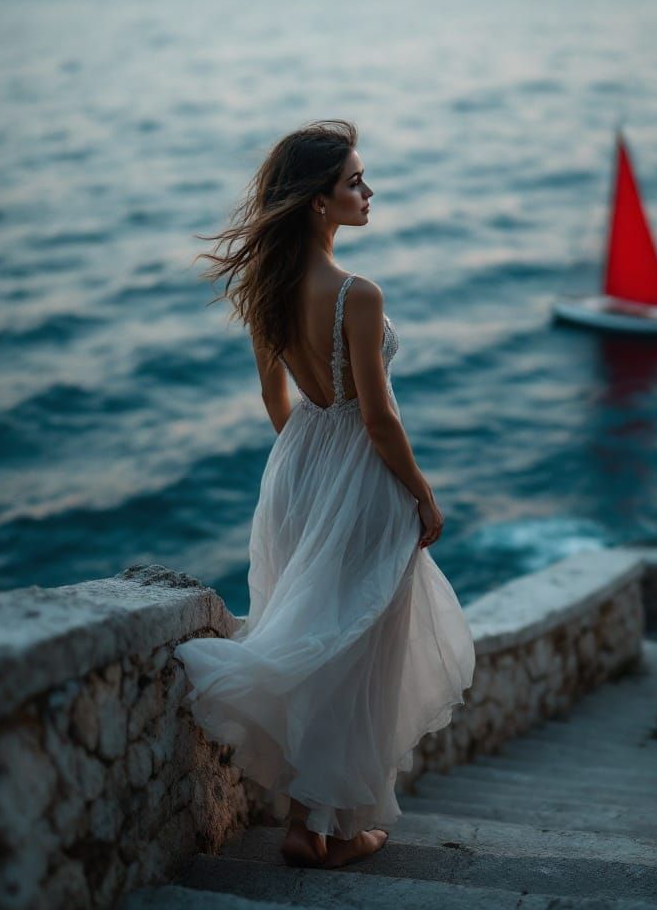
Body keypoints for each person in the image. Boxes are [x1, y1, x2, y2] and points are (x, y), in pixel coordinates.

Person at [173, 119, 475, 871]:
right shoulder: (356, 295)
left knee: (319, 635)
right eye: (354, 182)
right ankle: (331, 832)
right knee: (360, 648)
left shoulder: (265, 289)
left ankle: (310, 822)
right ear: (318, 201)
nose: (368, 192)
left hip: (297, 472)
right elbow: (377, 418)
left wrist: (312, 468)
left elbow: (275, 400)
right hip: (363, 479)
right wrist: (422, 493)